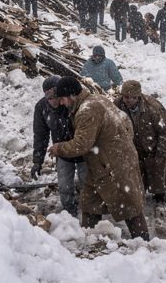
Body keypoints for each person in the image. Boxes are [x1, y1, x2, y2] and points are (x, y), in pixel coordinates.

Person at [48, 77, 150, 240]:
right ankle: (88, 238)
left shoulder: (86, 110)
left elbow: (81, 145)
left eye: (62, 99)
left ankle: (145, 245)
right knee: (89, 202)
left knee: (129, 206)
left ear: (72, 95)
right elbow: (126, 122)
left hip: (113, 166)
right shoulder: (96, 99)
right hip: (104, 164)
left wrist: (59, 148)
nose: (61, 103)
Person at [32, 75, 87, 215]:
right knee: (64, 186)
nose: (54, 101)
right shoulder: (41, 108)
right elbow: (40, 136)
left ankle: (90, 213)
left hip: (82, 151)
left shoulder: (71, 104)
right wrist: (37, 161)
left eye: (57, 96)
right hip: (62, 152)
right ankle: (70, 213)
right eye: (49, 98)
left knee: (87, 184)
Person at [114, 81, 166, 203]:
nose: (129, 100)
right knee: (135, 177)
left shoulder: (153, 107)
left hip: (153, 146)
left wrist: (160, 153)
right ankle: (138, 197)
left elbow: (165, 131)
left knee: (157, 176)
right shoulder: (117, 105)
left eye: (133, 98)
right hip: (133, 147)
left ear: (138, 97)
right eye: (126, 97)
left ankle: (160, 198)